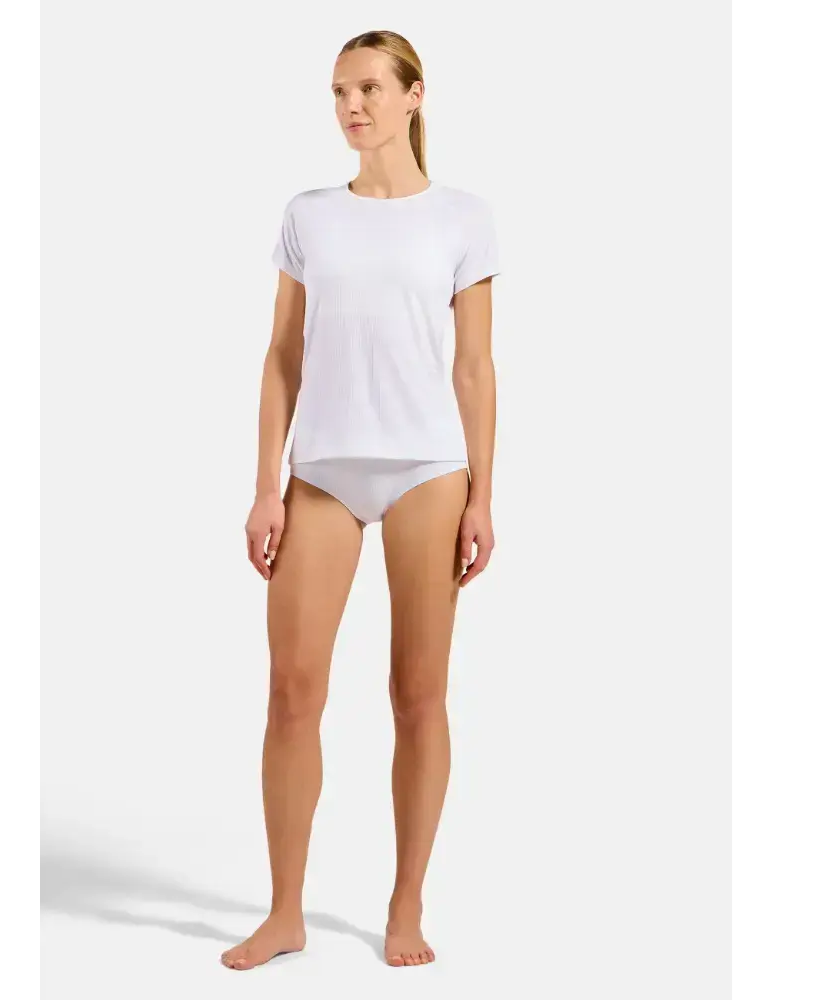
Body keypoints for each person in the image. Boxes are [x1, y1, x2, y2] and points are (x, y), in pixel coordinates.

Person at [224, 29, 500, 972]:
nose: (352, 105)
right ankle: (285, 912)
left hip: (428, 467)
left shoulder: (463, 218)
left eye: (371, 88)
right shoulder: (310, 215)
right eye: (340, 90)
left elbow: (475, 367)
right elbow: (282, 353)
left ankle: (406, 904)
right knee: (291, 693)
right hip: (322, 472)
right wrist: (266, 485)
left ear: (414, 95)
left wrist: (483, 495)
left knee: (418, 696)